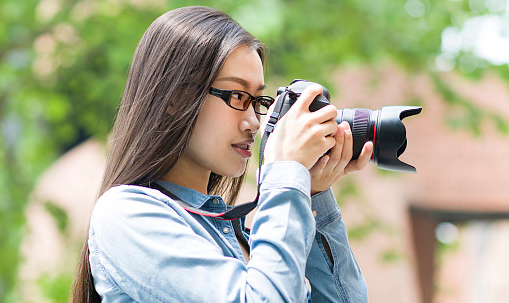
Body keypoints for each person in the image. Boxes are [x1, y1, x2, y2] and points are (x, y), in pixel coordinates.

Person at [71, 6, 373, 303]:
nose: (253, 121)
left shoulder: (248, 240)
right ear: (175, 99)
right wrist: (285, 172)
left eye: (258, 101)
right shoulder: (126, 214)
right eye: (237, 96)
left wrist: (312, 192)